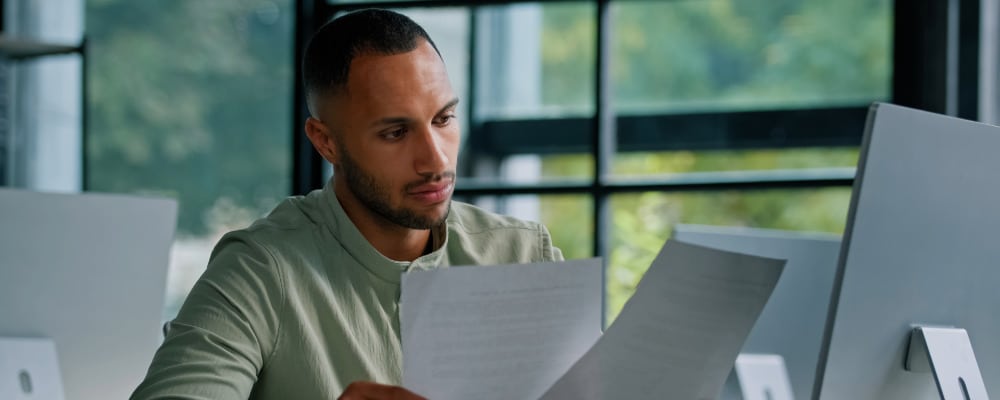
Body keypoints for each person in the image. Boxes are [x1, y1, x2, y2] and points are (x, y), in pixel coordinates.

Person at [130, 8, 564, 400]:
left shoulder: (525, 255)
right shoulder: (261, 268)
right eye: (395, 133)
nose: (436, 160)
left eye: (443, 119)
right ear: (326, 141)